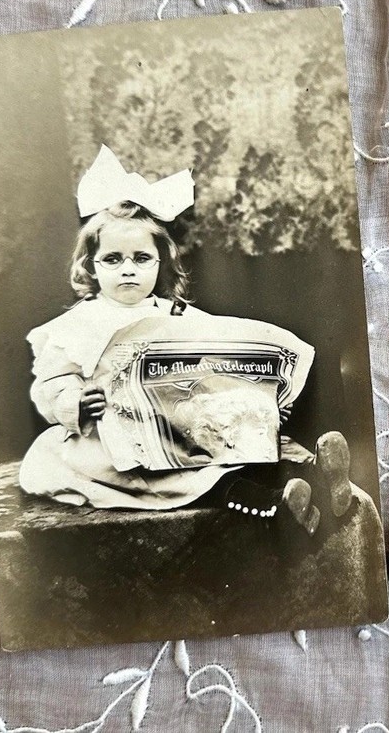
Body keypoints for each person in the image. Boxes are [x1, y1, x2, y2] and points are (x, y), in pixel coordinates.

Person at [19, 145, 352, 533]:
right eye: (113, 259)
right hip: (119, 442)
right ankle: (277, 504)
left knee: (239, 449)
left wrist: (265, 398)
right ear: (91, 266)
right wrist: (76, 400)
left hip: (187, 431)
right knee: (188, 479)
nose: (128, 269)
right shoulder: (81, 323)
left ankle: (319, 476)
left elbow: (224, 363)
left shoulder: (173, 314)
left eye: (141, 258)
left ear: (160, 263)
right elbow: (51, 383)